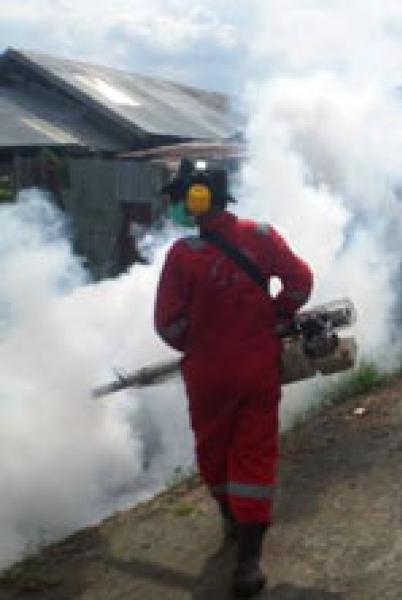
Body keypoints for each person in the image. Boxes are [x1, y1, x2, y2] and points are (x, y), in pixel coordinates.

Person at [154, 162, 313, 596]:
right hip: (258, 368)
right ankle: (249, 561)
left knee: (214, 451)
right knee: (254, 455)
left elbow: (167, 324)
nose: (179, 207)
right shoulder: (261, 235)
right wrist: (278, 313)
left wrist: (198, 341)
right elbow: (300, 282)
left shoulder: (183, 255)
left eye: (182, 198)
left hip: (207, 375)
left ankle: (230, 518)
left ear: (198, 199)